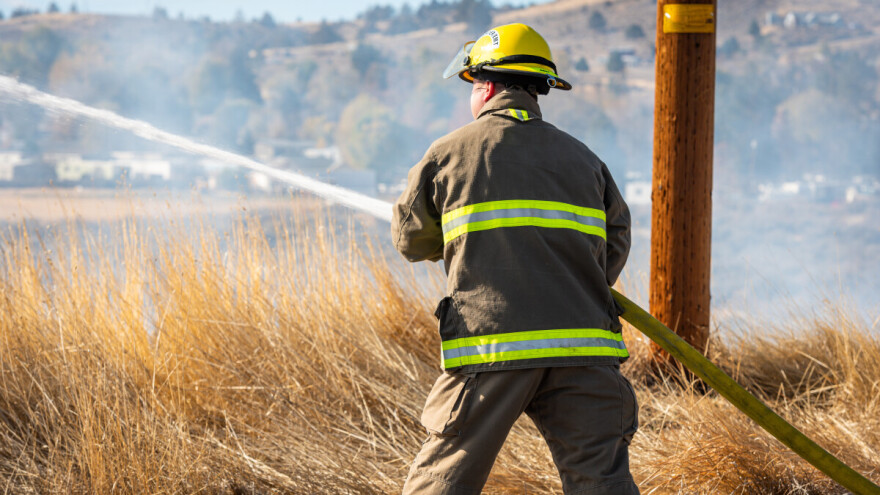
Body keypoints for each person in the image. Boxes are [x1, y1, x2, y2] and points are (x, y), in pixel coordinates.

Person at [391, 23, 638, 495]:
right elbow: (616, 242)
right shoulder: (586, 160)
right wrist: (570, 279)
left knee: (443, 479)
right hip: (584, 349)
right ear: (540, 88)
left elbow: (412, 242)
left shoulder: (447, 154)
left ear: (485, 85)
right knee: (601, 482)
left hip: (492, 348)